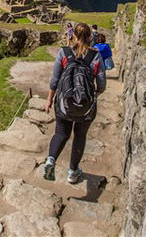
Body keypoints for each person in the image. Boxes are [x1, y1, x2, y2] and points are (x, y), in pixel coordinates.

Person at [44, 22, 106, 184]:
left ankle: (51, 160)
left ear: (74, 36)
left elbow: (55, 80)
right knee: (80, 135)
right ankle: (72, 171)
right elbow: (102, 84)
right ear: (90, 37)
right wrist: (94, 96)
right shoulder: (96, 56)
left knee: (61, 133)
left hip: (63, 103)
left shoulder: (64, 53)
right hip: (86, 106)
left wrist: (50, 99)